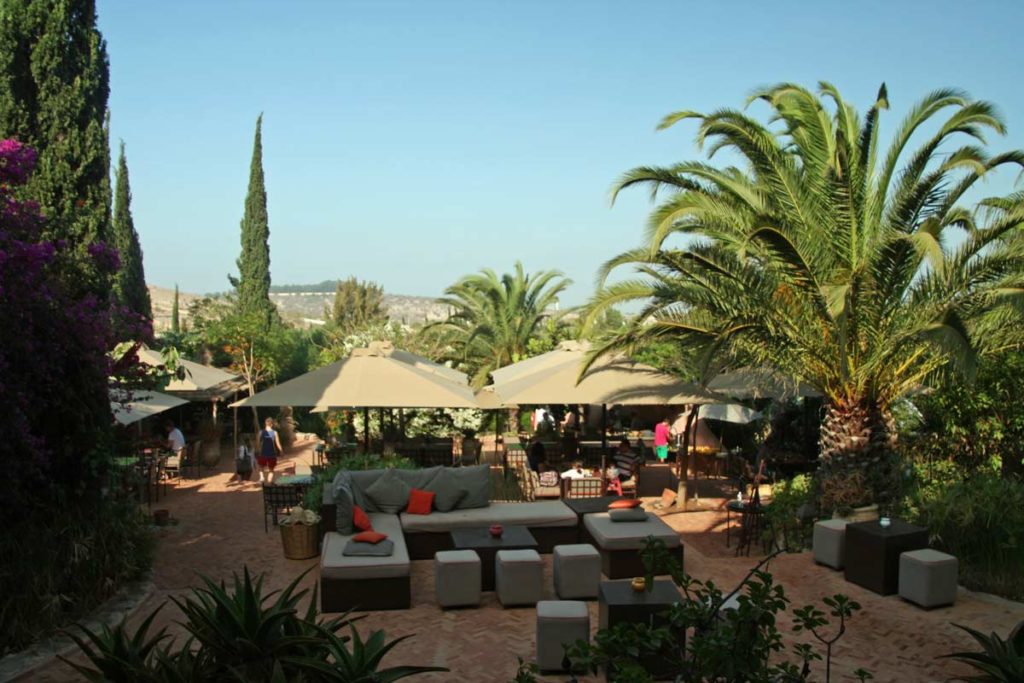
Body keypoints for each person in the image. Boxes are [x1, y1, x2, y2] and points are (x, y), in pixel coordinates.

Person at [257, 417, 284, 483]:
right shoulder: (275, 433)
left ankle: (262, 477)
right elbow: (278, 443)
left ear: (265, 424)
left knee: (260, 466)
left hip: (263, 453)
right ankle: (269, 482)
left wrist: (258, 451)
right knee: (271, 470)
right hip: (272, 454)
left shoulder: (261, 432)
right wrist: (281, 451)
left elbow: (258, 443)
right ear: (272, 424)